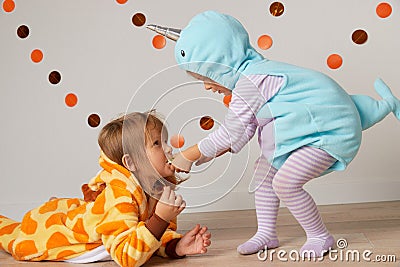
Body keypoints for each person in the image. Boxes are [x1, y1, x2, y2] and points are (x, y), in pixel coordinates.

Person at [147, 11, 400, 257]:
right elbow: (243, 131)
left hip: (329, 133)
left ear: (221, 66)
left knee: (285, 183)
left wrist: (188, 156)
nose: (206, 86)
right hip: (308, 134)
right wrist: (194, 158)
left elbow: (230, 135)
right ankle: (267, 233)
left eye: (206, 77)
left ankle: (320, 236)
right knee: (264, 173)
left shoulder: (251, 82)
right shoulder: (254, 75)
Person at [0, 111, 211, 266]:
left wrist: (176, 246)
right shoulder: (121, 197)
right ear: (131, 163)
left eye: (165, 140)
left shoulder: (155, 189)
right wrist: (159, 219)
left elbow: (150, 238)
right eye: (157, 143)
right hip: (58, 231)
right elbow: (126, 256)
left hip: (90, 216)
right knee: (12, 233)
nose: (169, 148)